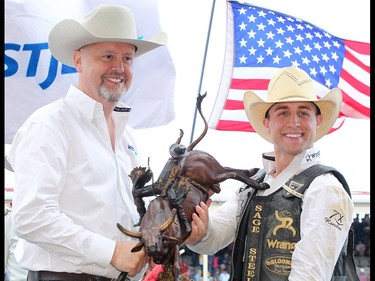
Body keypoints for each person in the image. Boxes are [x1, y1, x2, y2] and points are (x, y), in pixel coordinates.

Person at [7, 4, 167, 281]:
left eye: (127, 59)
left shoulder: (127, 136)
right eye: (108, 56)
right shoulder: (49, 125)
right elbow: (31, 217)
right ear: (78, 61)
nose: (119, 68)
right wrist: (111, 253)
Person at [184, 67, 354, 280]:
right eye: (283, 112)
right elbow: (213, 238)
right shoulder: (253, 185)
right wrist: (198, 228)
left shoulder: (326, 188)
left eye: (303, 112)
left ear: (316, 121)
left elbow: (309, 275)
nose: (294, 122)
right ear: (267, 123)